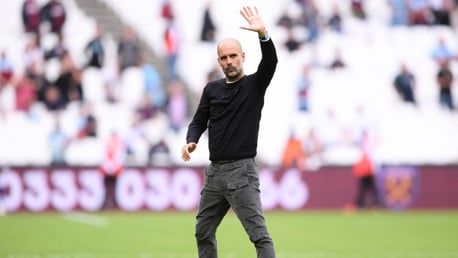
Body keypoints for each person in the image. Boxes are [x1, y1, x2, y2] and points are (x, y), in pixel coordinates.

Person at [181, 6, 277, 258]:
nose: (229, 62)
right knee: (202, 231)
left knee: (259, 236)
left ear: (243, 56)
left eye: (233, 56)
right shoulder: (211, 89)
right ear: (218, 61)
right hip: (215, 174)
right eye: (224, 58)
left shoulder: (254, 85)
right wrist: (191, 141)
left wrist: (263, 34)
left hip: (241, 173)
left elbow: (270, 63)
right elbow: (198, 121)